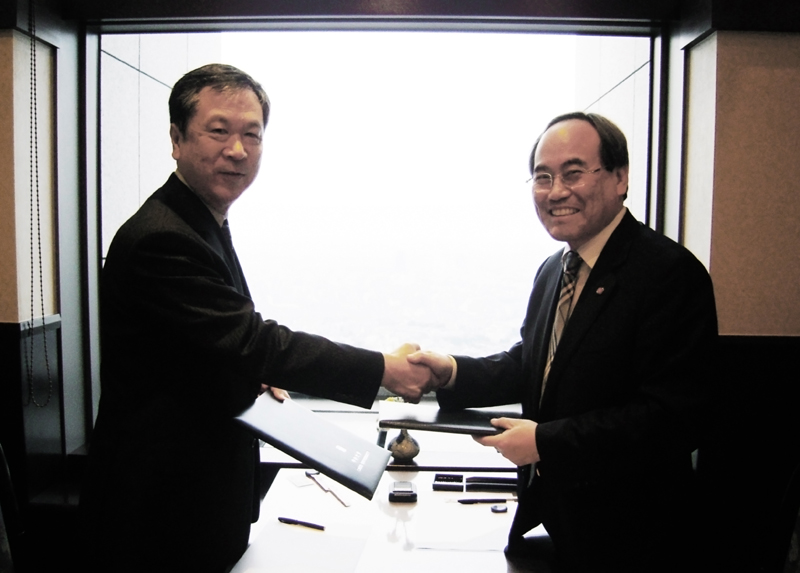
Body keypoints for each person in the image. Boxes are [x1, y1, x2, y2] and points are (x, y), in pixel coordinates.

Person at [79, 64, 438, 573]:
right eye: (218, 131)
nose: (238, 150)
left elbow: (208, 343)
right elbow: (253, 340)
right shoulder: (163, 237)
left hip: (192, 496)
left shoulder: (199, 221)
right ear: (176, 139)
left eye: (253, 134)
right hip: (160, 511)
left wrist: (251, 370)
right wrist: (385, 370)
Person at [409, 112, 718, 572]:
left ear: (620, 178)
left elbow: (673, 417)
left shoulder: (669, 274)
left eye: (573, 173)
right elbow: (535, 365)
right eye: (543, 177)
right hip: (555, 527)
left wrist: (546, 443)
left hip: (633, 540)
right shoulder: (555, 269)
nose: (555, 192)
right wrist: (451, 372)